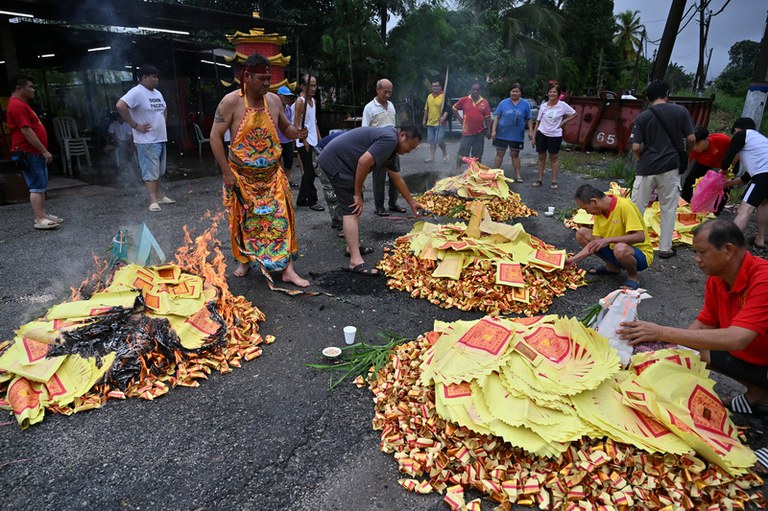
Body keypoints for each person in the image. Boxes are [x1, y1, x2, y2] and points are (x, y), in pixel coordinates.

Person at [617, 219, 768, 474]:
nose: (695, 259)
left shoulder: (763, 279)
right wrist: (663, 353)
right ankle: (757, 395)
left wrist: (660, 331)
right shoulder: (717, 278)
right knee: (697, 352)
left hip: (756, 353)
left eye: (701, 252)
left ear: (728, 250)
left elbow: (737, 338)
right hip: (757, 358)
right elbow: (703, 326)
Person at [209, 53, 310, 287]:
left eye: (268, 78)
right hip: (242, 177)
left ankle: (288, 269)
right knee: (243, 221)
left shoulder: (274, 100)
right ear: (247, 76)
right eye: (262, 79)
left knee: (283, 217)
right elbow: (214, 137)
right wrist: (226, 172)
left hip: (272, 177)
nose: (267, 83)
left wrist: (297, 133)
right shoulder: (230, 102)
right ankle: (245, 259)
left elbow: (285, 129)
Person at [316, 126, 423, 275]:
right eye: (410, 146)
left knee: (356, 206)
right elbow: (363, 162)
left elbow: (396, 178)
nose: (409, 151)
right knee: (352, 209)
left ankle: (351, 247)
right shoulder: (390, 139)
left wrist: (412, 202)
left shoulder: (391, 146)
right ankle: (355, 261)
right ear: (403, 135)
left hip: (342, 163)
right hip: (337, 163)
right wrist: (356, 194)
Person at [630, 80, 695, 259]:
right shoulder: (681, 112)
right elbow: (691, 138)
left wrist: (641, 159)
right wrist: (685, 154)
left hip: (646, 168)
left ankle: (630, 243)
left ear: (648, 98)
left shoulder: (643, 117)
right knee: (668, 208)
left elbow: (636, 147)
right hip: (670, 168)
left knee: (636, 208)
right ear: (667, 94)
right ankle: (665, 248)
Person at [564, 184, 653, 289]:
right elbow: (595, 243)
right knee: (582, 233)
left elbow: (640, 236)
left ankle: (633, 277)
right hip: (615, 250)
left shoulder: (624, 206)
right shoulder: (599, 212)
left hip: (639, 255)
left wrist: (608, 240)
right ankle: (612, 267)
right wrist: (573, 260)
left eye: (586, 209)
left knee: (619, 248)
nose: (588, 213)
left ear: (594, 202)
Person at [6, 75, 63, 230]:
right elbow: (26, 131)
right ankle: (39, 218)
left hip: (33, 152)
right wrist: (44, 150)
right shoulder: (17, 105)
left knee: (41, 184)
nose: (33, 90)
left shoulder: (22, 104)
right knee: (36, 185)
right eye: (30, 87)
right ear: (19, 88)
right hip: (28, 151)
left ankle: (43, 214)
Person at [116, 64, 175, 212]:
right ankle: (152, 200)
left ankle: (160, 196)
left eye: (157, 77)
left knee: (159, 171)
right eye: (154, 77)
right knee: (150, 171)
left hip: (160, 138)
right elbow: (120, 105)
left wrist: (162, 123)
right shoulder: (136, 92)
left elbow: (164, 108)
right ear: (144, 77)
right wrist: (135, 125)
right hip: (147, 140)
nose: (157, 80)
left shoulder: (157, 93)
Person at [721, 117, 768, 251]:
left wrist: (723, 171)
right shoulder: (760, 141)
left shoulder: (742, 135)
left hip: (763, 176)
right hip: (763, 176)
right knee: (763, 204)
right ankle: (760, 240)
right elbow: (746, 178)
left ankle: (728, 243)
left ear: (737, 129)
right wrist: (727, 184)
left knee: (744, 210)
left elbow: (728, 157)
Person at [362, 78, 406, 216]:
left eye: (390, 92)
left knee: (395, 176)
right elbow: (365, 130)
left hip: (393, 148)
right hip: (378, 149)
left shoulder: (391, 105)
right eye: (385, 92)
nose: (387, 95)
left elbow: (393, 126)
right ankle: (379, 206)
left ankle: (393, 203)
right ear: (378, 90)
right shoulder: (369, 107)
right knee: (379, 178)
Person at [531, 83, 577, 190]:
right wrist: (534, 136)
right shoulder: (543, 106)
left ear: (558, 94)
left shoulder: (562, 105)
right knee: (541, 157)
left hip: (555, 135)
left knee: (554, 158)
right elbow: (537, 122)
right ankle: (539, 179)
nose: (552, 94)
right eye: (550, 92)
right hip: (542, 133)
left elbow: (574, 114)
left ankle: (554, 181)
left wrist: (564, 121)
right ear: (547, 94)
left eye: (554, 92)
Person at [490, 83, 533, 182]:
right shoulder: (503, 103)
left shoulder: (525, 104)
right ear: (510, 92)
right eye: (513, 91)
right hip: (502, 133)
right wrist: (493, 130)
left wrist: (531, 131)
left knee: (515, 155)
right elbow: (496, 117)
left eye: (517, 91)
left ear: (520, 93)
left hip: (516, 135)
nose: (514, 93)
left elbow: (529, 119)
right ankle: (494, 175)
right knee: (499, 153)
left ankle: (518, 176)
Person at [294, 73, 324, 211]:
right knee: (310, 173)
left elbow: (314, 122)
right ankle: (313, 201)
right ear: (302, 86)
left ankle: (301, 199)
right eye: (310, 85)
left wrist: (319, 139)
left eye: (315, 85)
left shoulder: (314, 101)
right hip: (303, 141)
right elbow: (296, 123)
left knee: (309, 172)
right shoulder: (300, 101)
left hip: (313, 140)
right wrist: (304, 140)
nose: (313, 88)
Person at [681, 127, 731, 207]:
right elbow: (687, 164)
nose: (695, 148)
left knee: (722, 187)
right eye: (693, 145)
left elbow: (735, 152)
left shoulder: (723, 140)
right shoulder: (695, 151)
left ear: (707, 139)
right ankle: (685, 204)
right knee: (690, 180)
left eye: (697, 144)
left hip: (722, 165)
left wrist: (727, 167)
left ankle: (715, 211)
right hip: (704, 163)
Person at [452, 82, 491, 172]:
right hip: (467, 132)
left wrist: (489, 130)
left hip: (480, 132)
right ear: (470, 90)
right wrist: (460, 119)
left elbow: (488, 118)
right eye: (473, 89)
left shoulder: (484, 102)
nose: (475, 91)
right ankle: (457, 168)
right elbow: (454, 108)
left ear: (480, 91)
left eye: (477, 90)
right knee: (462, 151)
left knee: (477, 153)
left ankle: (475, 170)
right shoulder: (464, 100)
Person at [422, 80, 450, 163]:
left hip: (440, 122)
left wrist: (444, 117)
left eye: (436, 86)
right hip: (430, 122)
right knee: (431, 141)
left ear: (440, 87)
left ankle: (445, 153)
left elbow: (448, 109)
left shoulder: (444, 96)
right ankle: (432, 157)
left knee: (439, 140)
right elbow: (426, 109)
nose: (435, 87)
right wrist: (424, 119)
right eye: (433, 86)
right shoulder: (429, 96)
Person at [276, 85, 298, 188]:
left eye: (288, 97)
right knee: (278, 162)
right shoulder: (274, 109)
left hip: (287, 140)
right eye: (285, 96)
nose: (287, 99)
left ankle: (288, 180)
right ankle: (280, 181)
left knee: (289, 161)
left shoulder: (288, 109)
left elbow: (289, 124)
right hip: (278, 140)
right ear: (279, 96)